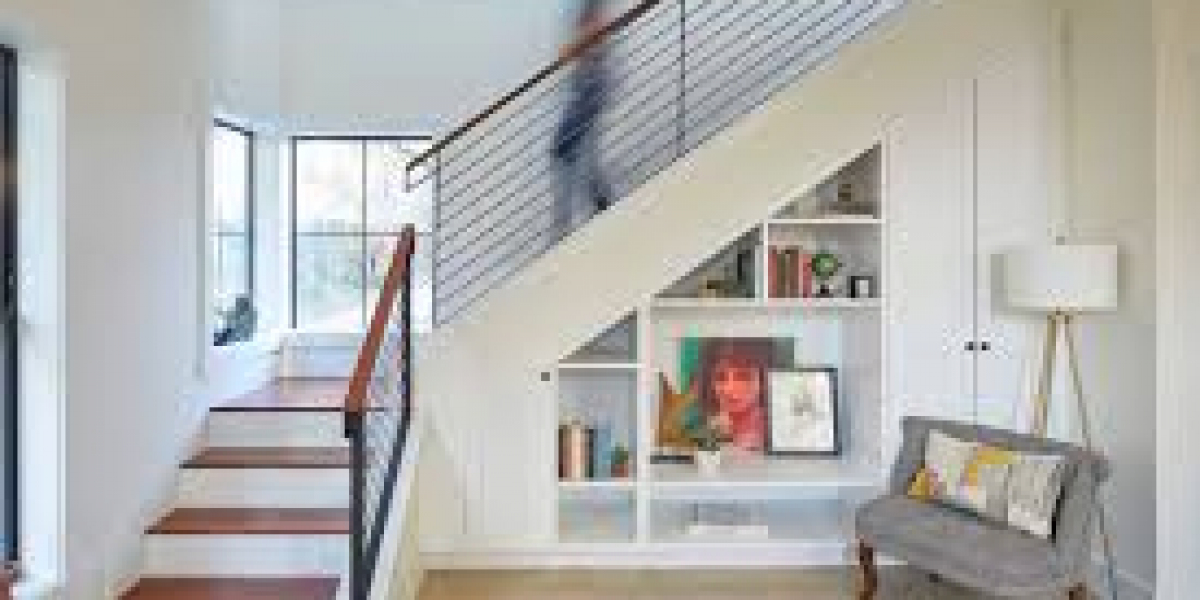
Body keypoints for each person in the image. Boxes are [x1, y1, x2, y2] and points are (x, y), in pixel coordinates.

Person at [552, 0, 613, 242]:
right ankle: (598, 205)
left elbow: (594, 39)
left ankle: (564, 226)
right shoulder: (590, 13)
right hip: (586, 92)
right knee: (579, 157)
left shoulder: (593, 15)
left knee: (567, 153)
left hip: (588, 92)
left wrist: (573, 49)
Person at [697, 339, 770, 452]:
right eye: (720, 377)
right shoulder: (712, 430)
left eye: (744, 377)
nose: (729, 389)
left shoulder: (774, 432)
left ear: (763, 379)